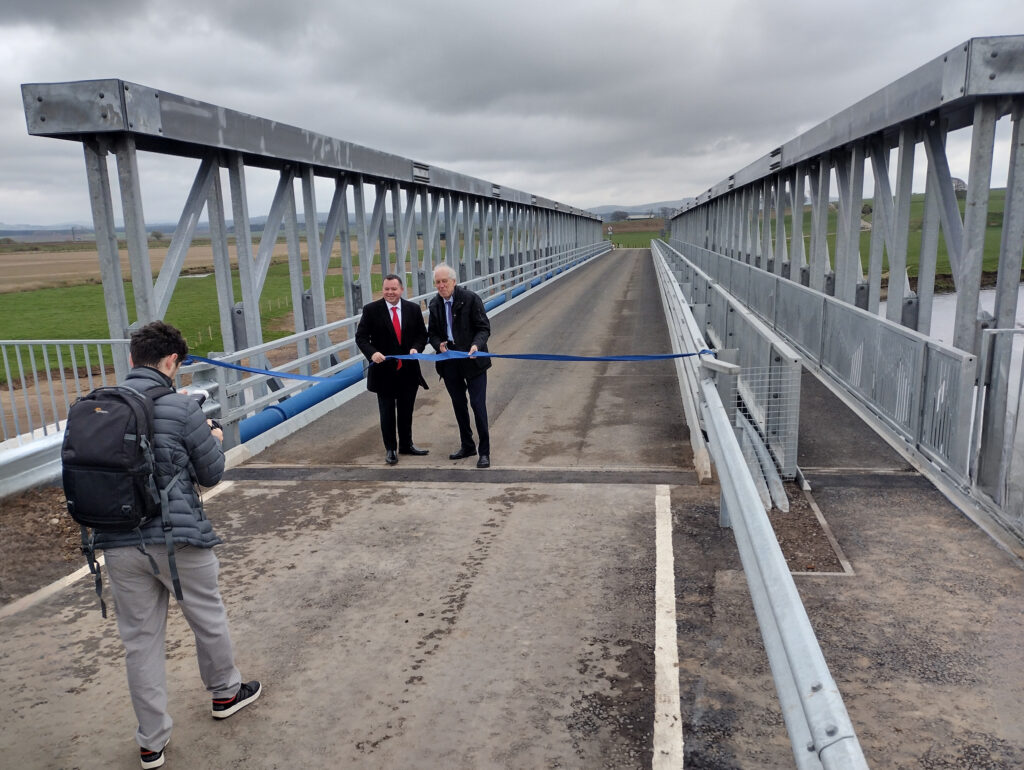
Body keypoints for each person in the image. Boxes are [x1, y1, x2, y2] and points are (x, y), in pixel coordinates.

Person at [97, 321, 260, 769]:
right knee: (207, 618)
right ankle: (225, 693)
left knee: (140, 643)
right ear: (172, 362)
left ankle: (151, 742)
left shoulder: (103, 408)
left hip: (117, 542)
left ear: (133, 359)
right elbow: (211, 473)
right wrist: (214, 438)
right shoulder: (182, 407)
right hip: (178, 539)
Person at [355, 273, 430, 464]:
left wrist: (416, 348)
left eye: (393, 289)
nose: (390, 292)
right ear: (383, 290)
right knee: (387, 413)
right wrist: (372, 353)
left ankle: (406, 444)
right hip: (383, 372)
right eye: (386, 289)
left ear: (401, 289)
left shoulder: (413, 309)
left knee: (406, 411)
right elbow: (361, 337)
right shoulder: (371, 310)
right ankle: (391, 449)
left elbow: (422, 334)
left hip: (408, 371)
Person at [426, 263, 492, 468]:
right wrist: (439, 345)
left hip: (473, 360)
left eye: (444, 281)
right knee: (458, 405)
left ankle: (484, 452)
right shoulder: (434, 304)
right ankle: (467, 445)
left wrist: (476, 345)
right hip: (450, 362)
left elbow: (484, 327)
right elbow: (433, 333)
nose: (441, 285)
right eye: (437, 282)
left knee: (477, 405)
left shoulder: (471, 299)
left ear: (454, 282)